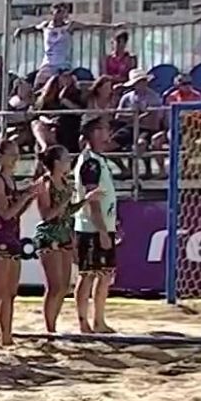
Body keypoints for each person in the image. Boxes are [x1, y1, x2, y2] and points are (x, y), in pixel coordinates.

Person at [0, 136, 43, 347]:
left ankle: (6, 335)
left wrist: (29, 196)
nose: (16, 157)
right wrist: (25, 196)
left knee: (9, 291)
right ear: (0, 156)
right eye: (12, 153)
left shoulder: (10, 180)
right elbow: (5, 213)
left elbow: (16, 213)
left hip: (13, 235)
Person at [74, 116, 119, 334]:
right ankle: (84, 321)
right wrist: (102, 230)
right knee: (88, 274)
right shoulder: (90, 162)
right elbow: (92, 201)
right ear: (94, 133)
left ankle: (99, 320)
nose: (107, 134)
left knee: (104, 274)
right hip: (90, 227)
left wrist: (110, 224)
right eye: (103, 129)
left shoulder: (99, 160)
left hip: (102, 225)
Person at [32, 146, 83, 335]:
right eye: (66, 159)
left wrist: (84, 202)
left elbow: (67, 212)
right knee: (54, 286)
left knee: (64, 286)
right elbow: (47, 215)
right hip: (49, 235)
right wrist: (65, 201)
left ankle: (53, 325)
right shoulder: (45, 183)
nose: (69, 162)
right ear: (56, 163)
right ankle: (50, 328)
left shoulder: (64, 181)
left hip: (63, 233)